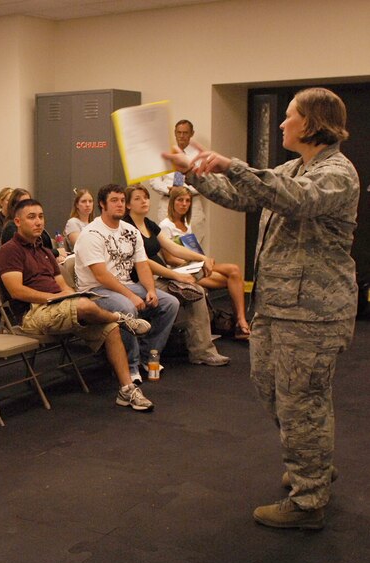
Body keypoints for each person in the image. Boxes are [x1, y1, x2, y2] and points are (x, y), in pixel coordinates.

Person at [162, 87, 358, 530]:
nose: (283, 123)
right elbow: (244, 197)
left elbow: (294, 198)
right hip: (276, 305)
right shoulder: (294, 166)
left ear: (312, 123)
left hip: (312, 312)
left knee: (301, 402)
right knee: (272, 389)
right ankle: (314, 465)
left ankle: (309, 500)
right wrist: (192, 172)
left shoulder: (336, 173)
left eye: (290, 116)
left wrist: (231, 163)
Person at [0, 198, 154, 411]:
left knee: (110, 328)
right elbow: (17, 291)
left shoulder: (44, 250)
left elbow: (62, 284)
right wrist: (52, 298)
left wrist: (69, 296)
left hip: (60, 305)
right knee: (86, 307)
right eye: (31, 217)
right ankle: (122, 318)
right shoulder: (9, 250)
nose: (38, 222)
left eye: (41, 216)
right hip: (32, 313)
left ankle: (127, 390)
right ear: (17, 221)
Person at [74, 184, 179, 384]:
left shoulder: (130, 231)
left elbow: (142, 265)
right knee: (126, 307)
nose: (120, 204)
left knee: (169, 303)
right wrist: (131, 296)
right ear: (102, 205)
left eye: (122, 200)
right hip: (95, 291)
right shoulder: (91, 234)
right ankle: (130, 366)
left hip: (126, 285)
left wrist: (150, 290)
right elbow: (102, 276)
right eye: (114, 201)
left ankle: (148, 356)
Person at [123, 184, 229, 366]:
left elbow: (173, 248)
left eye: (146, 197)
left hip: (163, 277)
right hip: (145, 282)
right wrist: (176, 276)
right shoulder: (126, 227)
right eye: (138, 198)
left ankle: (202, 351)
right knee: (196, 291)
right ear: (129, 205)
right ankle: (201, 351)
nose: (144, 201)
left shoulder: (149, 224)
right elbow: (144, 263)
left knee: (198, 280)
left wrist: (202, 257)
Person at [159, 186, 251, 339]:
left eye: (187, 201)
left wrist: (202, 258)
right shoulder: (165, 226)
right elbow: (170, 259)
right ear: (172, 202)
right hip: (181, 270)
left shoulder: (186, 224)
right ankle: (240, 324)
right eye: (180, 200)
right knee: (233, 279)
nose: (184, 204)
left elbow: (193, 249)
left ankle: (240, 320)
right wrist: (195, 259)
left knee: (234, 271)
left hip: (195, 264)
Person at [149, 119, 207, 244]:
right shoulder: (164, 154)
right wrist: (170, 190)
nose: (181, 136)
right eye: (179, 132)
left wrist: (183, 192)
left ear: (192, 134)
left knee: (193, 245)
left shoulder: (199, 155)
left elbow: (204, 182)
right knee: (166, 244)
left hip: (192, 202)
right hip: (168, 201)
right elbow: (154, 180)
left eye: (185, 133)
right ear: (174, 133)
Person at [0, 189, 63, 260]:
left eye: (41, 216)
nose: (38, 222)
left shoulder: (36, 231)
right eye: (24, 203)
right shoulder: (11, 229)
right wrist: (56, 252)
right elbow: (28, 253)